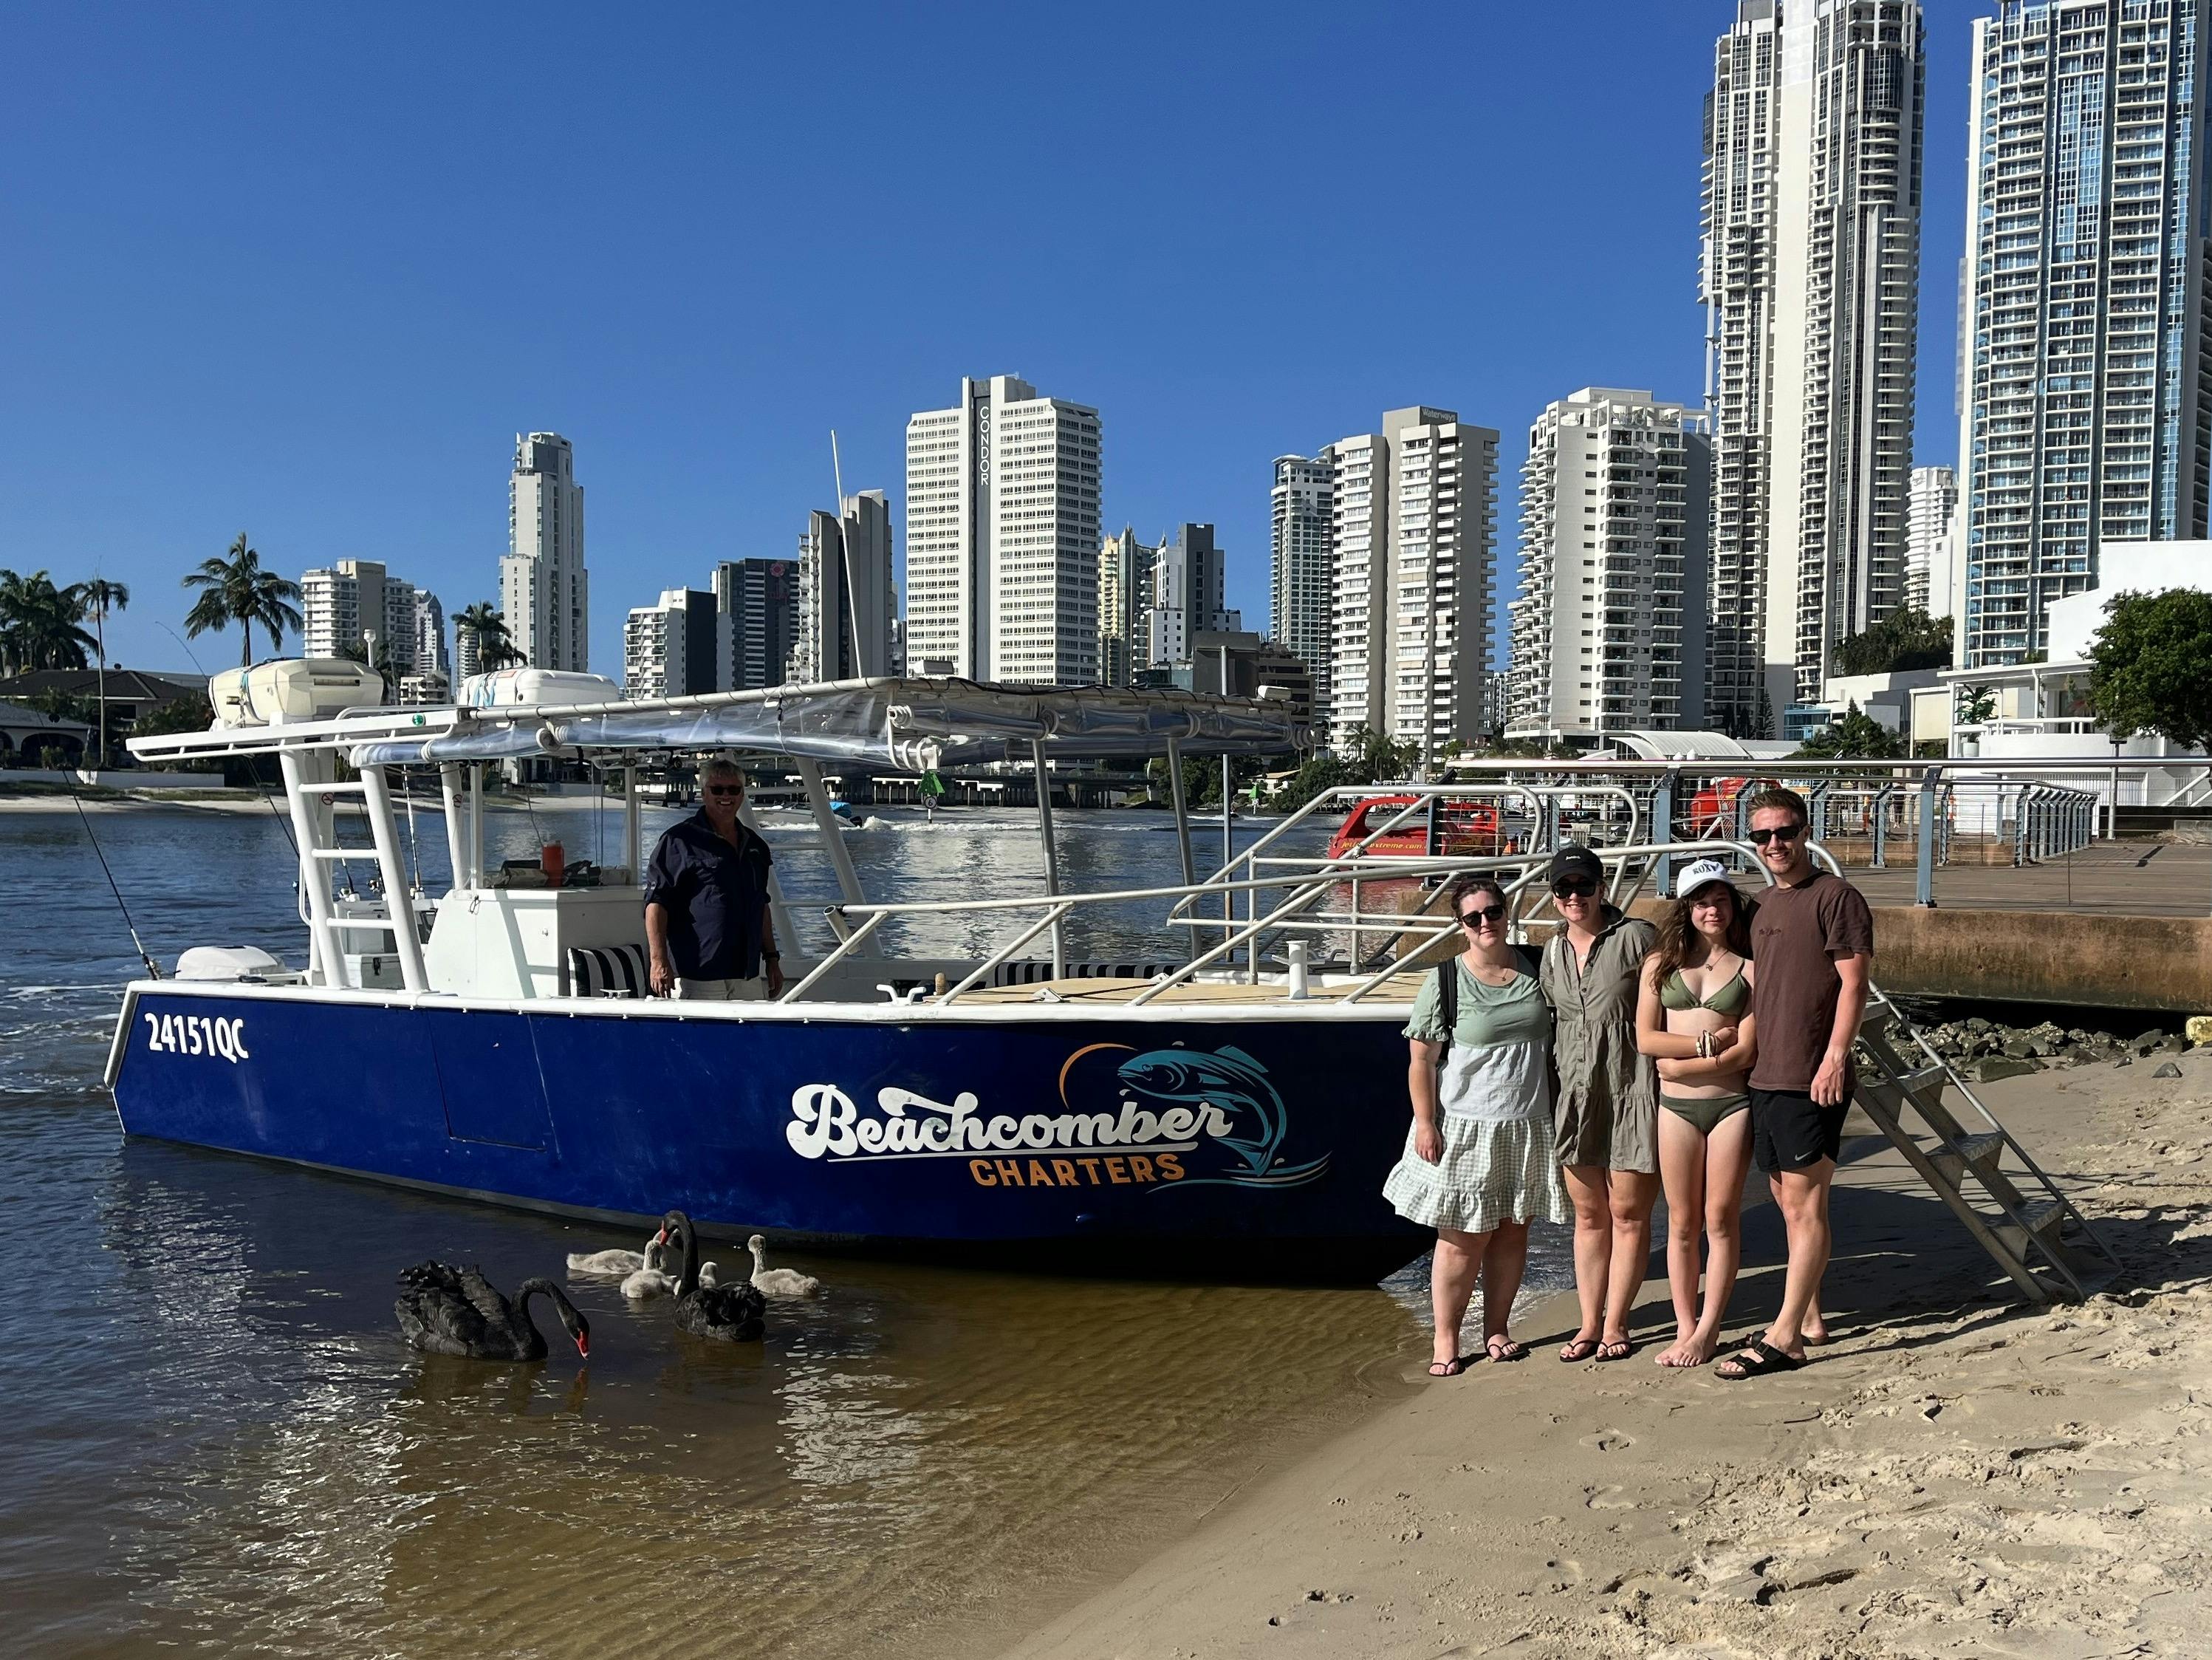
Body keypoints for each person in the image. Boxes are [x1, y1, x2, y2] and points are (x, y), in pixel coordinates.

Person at [1383, 875, 1568, 1377]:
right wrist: (1425, 1122)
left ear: (1506, 914)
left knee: (1512, 1232)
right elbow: (1420, 1060)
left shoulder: (1537, 965)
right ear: (1460, 925)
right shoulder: (1444, 980)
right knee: (1462, 1238)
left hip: (1528, 1123)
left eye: (1493, 912)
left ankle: (1496, 1328)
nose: (1486, 923)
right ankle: (1445, 1339)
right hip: (1465, 1128)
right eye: (1473, 917)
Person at [1716, 787, 1872, 1381]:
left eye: (1783, 832)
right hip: (1765, 1073)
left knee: (1805, 1204)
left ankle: (1784, 1339)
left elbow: (1853, 985)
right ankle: (1810, 1317)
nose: (1774, 844)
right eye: (1761, 836)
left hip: (1812, 1075)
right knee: (1786, 1201)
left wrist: (1835, 1056)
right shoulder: (1759, 907)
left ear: (1805, 831)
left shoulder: (1835, 897)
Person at [1634, 858, 1758, 1369]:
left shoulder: (1751, 967)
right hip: (1675, 1112)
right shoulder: (1659, 964)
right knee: (1681, 1222)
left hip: (1730, 1105)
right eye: (1702, 901)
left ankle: (1708, 1329)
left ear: (1731, 905)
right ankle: (1686, 1325)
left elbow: (1745, 1053)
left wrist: (1679, 1065)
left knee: (1720, 1219)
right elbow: (1644, 1038)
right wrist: (1706, 1041)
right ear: (1687, 907)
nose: (1712, 909)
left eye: (1720, 899)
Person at [1541, 844, 1660, 1363]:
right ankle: (1588, 1323)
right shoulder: (1550, 951)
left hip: (1633, 1089)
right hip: (1577, 1095)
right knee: (1588, 1217)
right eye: (1563, 888)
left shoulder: (1636, 937)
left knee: (1629, 1213)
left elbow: (1674, 1003)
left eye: (1582, 886)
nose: (1573, 896)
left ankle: (1617, 1322)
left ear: (1601, 887)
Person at [644, 756, 786, 1000]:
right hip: (698, 973)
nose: (726, 796)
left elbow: (761, 904)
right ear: (704, 793)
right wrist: (658, 961)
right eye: (717, 789)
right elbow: (656, 904)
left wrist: (772, 959)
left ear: (742, 795)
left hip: (747, 973)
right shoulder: (678, 841)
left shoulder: (755, 846)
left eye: (733, 790)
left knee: (749, 1037)